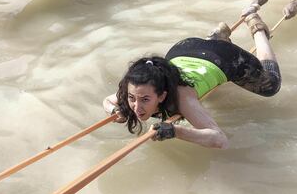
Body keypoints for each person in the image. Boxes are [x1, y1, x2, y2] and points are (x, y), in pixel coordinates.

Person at [102, 13, 281, 149]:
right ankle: (216, 39)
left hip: (222, 57)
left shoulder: (182, 97)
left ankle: (258, 29)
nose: (136, 107)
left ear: (162, 95)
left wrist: (175, 131)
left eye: (145, 100)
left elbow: (220, 139)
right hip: (185, 48)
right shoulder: (137, 89)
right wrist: (114, 110)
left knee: (271, 85)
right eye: (132, 98)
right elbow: (108, 100)